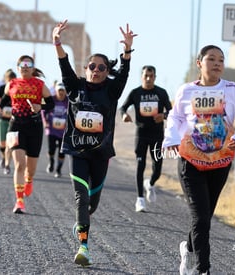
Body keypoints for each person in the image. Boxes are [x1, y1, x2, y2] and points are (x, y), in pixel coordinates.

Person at [162, 45, 235, 275]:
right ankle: (203, 269)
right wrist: (172, 138)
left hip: (220, 162)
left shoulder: (233, 90)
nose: (217, 63)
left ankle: (188, 247)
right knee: (201, 217)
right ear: (199, 63)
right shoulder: (186, 91)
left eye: (221, 60)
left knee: (205, 217)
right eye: (211, 59)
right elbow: (174, 117)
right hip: (190, 162)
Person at [52, 19, 137, 267]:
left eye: (101, 67)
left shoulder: (111, 90)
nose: (96, 70)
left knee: (92, 203)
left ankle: (81, 224)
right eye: (92, 66)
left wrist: (127, 50)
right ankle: (84, 246)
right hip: (77, 151)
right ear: (86, 68)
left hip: (101, 154)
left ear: (105, 71)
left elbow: (124, 72)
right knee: (81, 197)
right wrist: (57, 41)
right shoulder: (74, 86)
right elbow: (63, 63)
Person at [0, 55, 54, 214]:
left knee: (30, 168)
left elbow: (51, 103)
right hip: (16, 125)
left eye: (29, 64)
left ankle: (29, 180)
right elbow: (5, 98)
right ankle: (19, 201)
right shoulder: (11, 84)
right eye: (22, 64)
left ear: (33, 68)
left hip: (34, 127)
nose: (25, 66)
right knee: (19, 164)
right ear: (18, 67)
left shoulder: (40, 84)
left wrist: (39, 106)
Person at [119, 65, 172, 212]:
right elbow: (122, 107)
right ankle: (140, 199)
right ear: (141, 77)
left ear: (155, 77)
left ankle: (151, 183)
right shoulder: (135, 93)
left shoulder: (161, 93)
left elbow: (171, 111)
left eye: (151, 76)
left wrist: (164, 116)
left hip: (157, 135)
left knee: (158, 168)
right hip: (141, 133)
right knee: (140, 165)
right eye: (145, 76)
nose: (148, 78)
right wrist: (124, 115)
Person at [0, 69, 17, 175]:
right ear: (6, 80)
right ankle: (3, 157)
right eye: (9, 80)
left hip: (13, 120)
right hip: (2, 119)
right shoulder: (2, 89)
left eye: (13, 80)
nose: (11, 82)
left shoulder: (17, 90)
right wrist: (2, 104)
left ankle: (7, 165)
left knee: (10, 144)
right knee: (2, 143)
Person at [42, 81, 68, 178]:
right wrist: (45, 122)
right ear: (56, 91)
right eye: (59, 90)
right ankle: (51, 162)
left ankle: (58, 170)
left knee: (62, 152)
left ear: (65, 91)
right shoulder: (51, 99)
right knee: (51, 149)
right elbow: (43, 111)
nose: (61, 93)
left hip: (63, 131)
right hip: (51, 129)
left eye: (63, 91)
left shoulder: (68, 101)